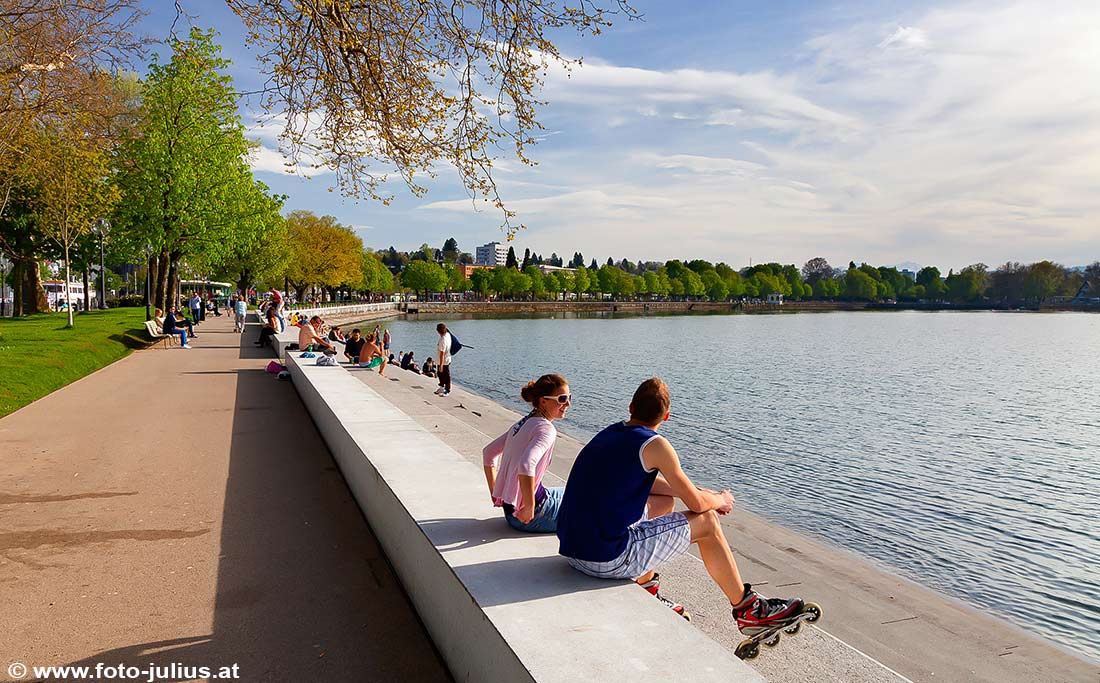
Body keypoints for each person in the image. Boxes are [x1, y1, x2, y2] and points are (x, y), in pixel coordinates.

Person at [556, 377, 807, 630]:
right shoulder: (655, 445)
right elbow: (698, 506)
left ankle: (647, 588)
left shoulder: (610, 434)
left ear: (631, 407)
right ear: (666, 417)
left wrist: (694, 492)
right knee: (708, 522)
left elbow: (649, 485)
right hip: (606, 560)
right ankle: (749, 611)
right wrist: (720, 498)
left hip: (575, 554)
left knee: (663, 502)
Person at [482, 374, 570, 533]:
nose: (568, 403)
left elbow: (488, 453)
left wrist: (497, 495)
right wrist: (529, 507)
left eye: (569, 397)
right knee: (593, 507)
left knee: (573, 490)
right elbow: (526, 464)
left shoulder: (522, 423)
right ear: (543, 401)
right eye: (562, 399)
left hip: (511, 513)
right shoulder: (547, 430)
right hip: (534, 515)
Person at [434, 322, 452, 397]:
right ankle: (442, 387)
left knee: (446, 375)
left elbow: (442, 353)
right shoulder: (448, 335)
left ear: (438, 331)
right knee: (441, 375)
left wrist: (441, 365)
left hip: (444, 361)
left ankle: (447, 390)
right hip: (446, 359)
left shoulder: (443, 340)